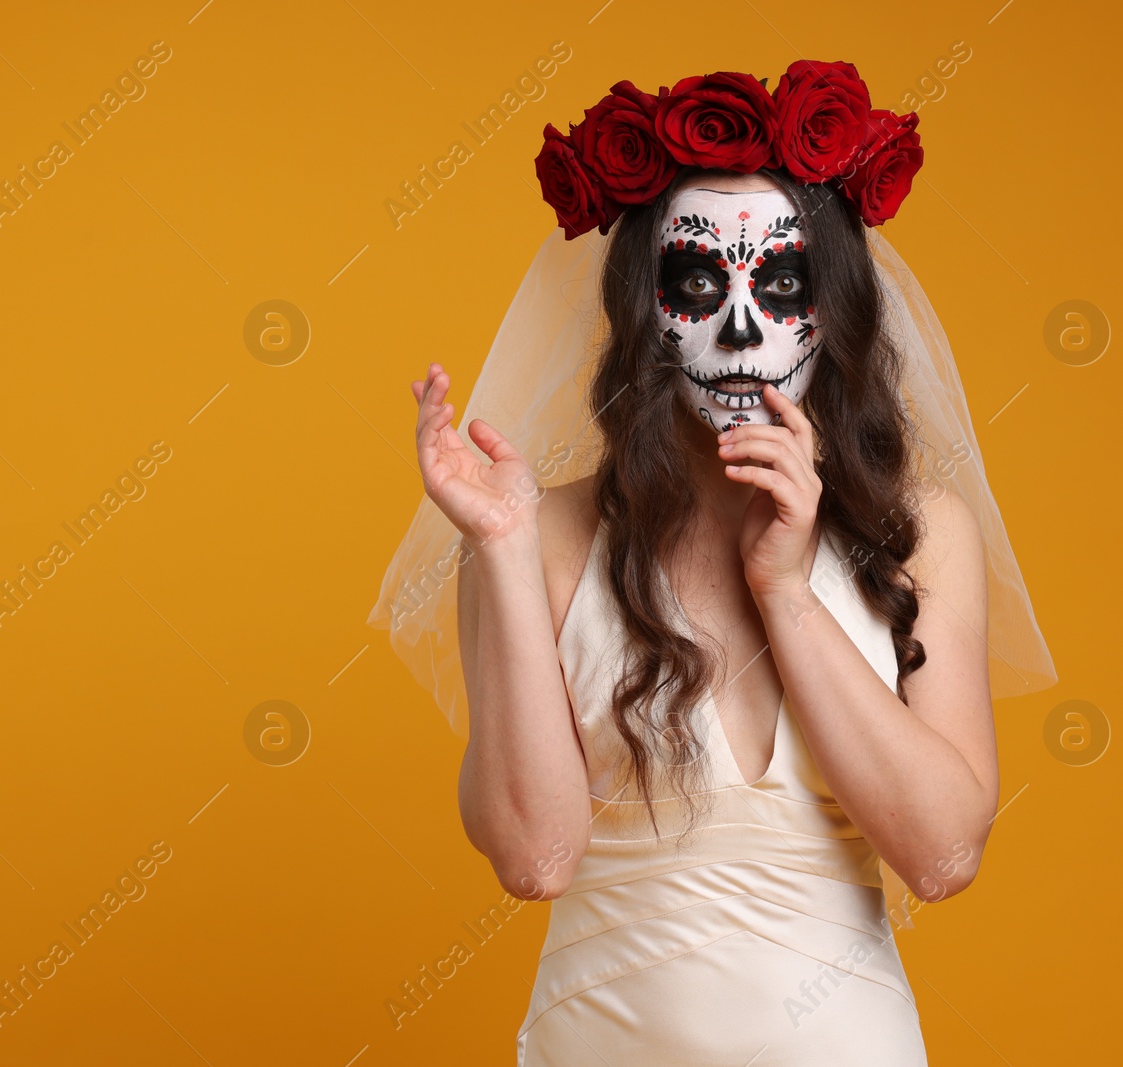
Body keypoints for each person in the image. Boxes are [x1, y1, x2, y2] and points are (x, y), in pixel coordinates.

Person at [379, 63, 1056, 1065]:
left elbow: (943, 852)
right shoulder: (539, 535)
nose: (740, 327)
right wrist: (503, 551)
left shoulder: (923, 534)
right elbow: (536, 856)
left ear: (830, 311)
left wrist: (786, 590)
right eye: (697, 282)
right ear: (643, 312)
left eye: (779, 285)